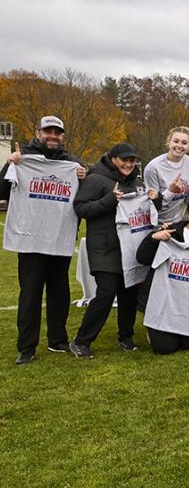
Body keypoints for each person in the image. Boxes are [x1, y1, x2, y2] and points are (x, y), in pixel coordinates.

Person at [2, 115, 86, 365]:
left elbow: (86, 195)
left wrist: (83, 176)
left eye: (57, 132)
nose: (53, 136)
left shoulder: (71, 163)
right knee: (30, 294)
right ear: (38, 132)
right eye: (48, 131)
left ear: (62, 136)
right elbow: (1, 191)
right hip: (30, 240)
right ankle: (26, 346)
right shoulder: (23, 159)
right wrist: (10, 165)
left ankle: (57, 341)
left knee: (59, 292)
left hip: (59, 239)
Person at [70, 143, 157, 358]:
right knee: (106, 293)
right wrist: (109, 200)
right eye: (124, 160)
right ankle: (82, 341)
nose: (128, 164)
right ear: (113, 158)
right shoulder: (96, 178)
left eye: (132, 160)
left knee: (128, 294)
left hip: (129, 248)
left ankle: (125, 338)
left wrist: (156, 199)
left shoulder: (137, 182)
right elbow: (80, 208)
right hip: (104, 247)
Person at [136, 197, 189, 355]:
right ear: (188, 215)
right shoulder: (171, 233)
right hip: (165, 302)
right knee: (165, 348)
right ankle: (154, 329)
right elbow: (142, 258)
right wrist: (154, 238)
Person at [144, 126, 189, 224]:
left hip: (181, 221)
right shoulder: (153, 168)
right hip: (159, 224)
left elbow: (188, 198)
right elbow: (152, 205)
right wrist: (170, 191)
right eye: (176, 141)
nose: (180, 146)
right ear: (168, 141)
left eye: (184, 143)